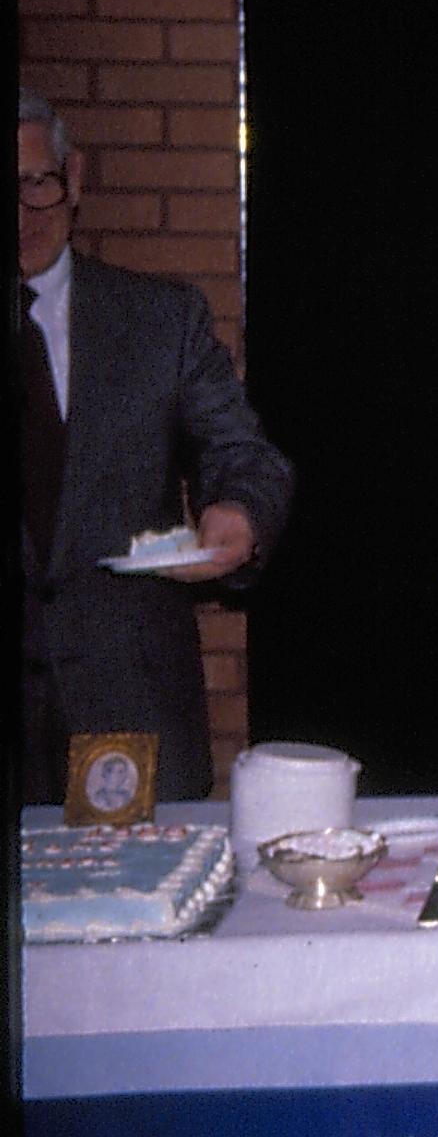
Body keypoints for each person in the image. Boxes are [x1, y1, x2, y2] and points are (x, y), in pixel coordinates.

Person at [19, 90, 295, 803]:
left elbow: (242, 452)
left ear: (73, 179)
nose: (18, 216)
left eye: (35, 186)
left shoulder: (159, 320)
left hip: (128, 712)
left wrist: (236, 512)